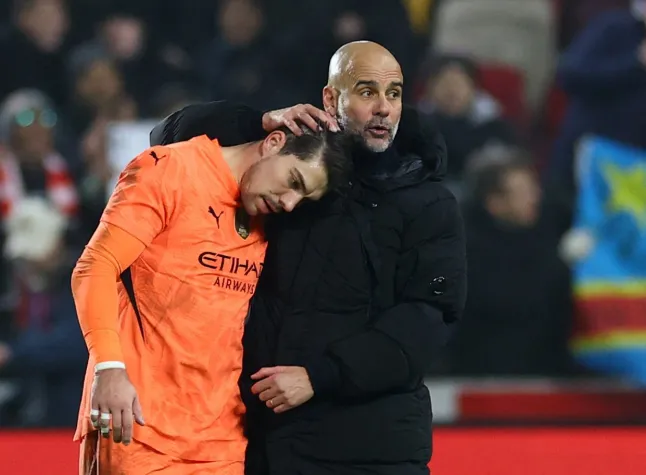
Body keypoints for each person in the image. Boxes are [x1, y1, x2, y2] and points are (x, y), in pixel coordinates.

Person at [152, 41, 466, 475]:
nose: (383, 108)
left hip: (373, 448)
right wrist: (257, 121)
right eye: (366, 91)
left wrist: (321, 375)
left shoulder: (429, 202)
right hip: (265, 441)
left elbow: (428, 319)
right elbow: (167, 140)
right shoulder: (290, 174)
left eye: (393, 93)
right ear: (330, 98)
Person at [72, 125, 351, 475]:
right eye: (294, 181)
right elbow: (95, 266)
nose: (289, 203)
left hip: (221, 438)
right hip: (140, 427)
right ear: (274, 142)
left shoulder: (266, 217)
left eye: (303, 199)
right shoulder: (171, 169)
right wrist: (108, 368)